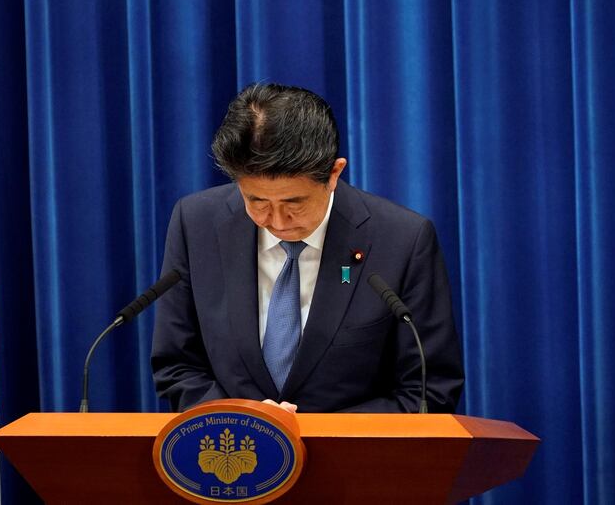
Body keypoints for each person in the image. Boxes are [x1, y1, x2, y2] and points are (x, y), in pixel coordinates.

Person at [151, 83, 463, 413]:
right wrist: (245, 421)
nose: (278, 221)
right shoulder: (196, 224)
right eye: (257, 201)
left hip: (356, 459)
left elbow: (429, 389)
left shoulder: (402, 240)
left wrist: (310, 436)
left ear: (333, 173)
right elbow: (176, 366)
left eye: (294, 203)